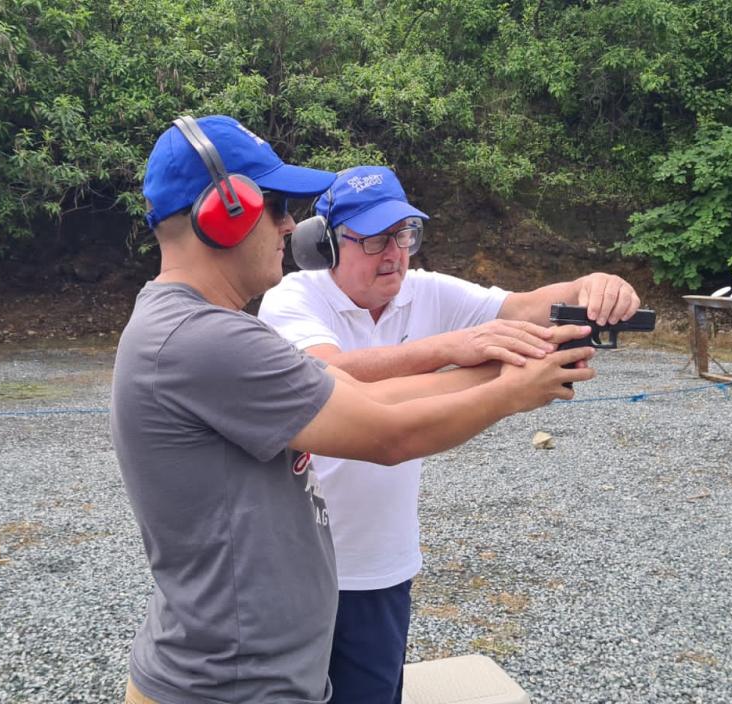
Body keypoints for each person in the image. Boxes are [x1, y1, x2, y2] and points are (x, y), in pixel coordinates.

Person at [110, 118, 599, 704]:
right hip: (228, 687)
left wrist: (508, 366)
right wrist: (514, 392)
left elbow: (363, 397)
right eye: (277, 206)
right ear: (226, 211)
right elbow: (387, 434)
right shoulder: (205, 340)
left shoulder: (201, 329)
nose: (291, 225)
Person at [257, 165, 642, 704]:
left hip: (380, 561)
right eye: (371, 239)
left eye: (403, 234)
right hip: (295, 565)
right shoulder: (293, 298)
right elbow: (329, 376)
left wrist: (593, 287)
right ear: (324, 245)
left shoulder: (424, 290)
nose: (392, 252)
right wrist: (449, 349)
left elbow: (525, 305)